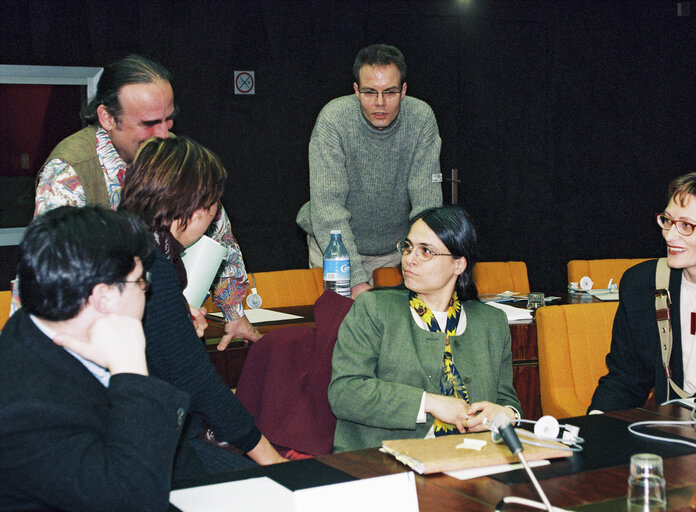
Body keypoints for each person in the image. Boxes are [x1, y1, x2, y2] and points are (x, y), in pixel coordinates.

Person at [30, 54, 257, 349]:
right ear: (107, 118)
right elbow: (53, 273)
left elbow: (217, 233)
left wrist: (234, 313)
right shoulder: (69, 170)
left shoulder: (171, 153)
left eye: (169, 119)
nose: (164, 134)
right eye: (149, 123)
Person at [0, 206, 188, 511]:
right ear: (104, 298)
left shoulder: (44, 327)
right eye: (140, 282)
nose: (145, 291)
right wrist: (131, 370)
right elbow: (134, 502)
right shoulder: (25, 410)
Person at [120, 136, 286, 466]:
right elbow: (196, 381)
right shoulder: (154, 268)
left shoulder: (124, 241)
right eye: (214, 205)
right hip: (135, 442)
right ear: (195, 210)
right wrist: (271, 459)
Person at [328, 206, 522, 452]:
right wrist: (428, 403)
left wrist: (505, 413)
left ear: (458, 264)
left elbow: (508, 401)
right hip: (383, 460)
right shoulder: (374, 308)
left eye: (426, 251)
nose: (410, 258)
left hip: (469, 458)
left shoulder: (491, 322)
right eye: (408, 247)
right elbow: (344, 393)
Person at [590, 170, 696, 412]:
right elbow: (625, 379)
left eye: (686, 225)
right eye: (668, 220)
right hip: (674, 428)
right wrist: (594, 425)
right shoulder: (641, 284)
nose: (670, 235)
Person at [296, 43, 443, 298]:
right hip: (333, 248)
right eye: (369, 92)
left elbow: (427, 205)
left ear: (404, 90)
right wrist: (355, 280)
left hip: (395, 252)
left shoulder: (421, 119)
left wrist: (426, 261)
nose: (380, 103)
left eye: (390, 92)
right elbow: (328, 210)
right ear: (356, 90)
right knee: (338, 331)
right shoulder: (333, 120)